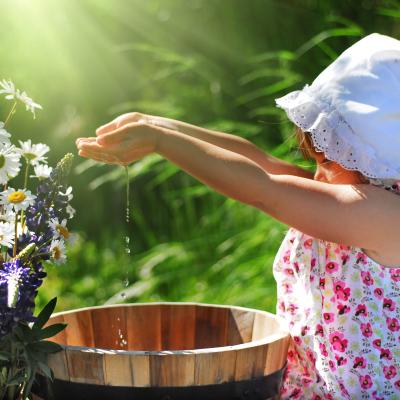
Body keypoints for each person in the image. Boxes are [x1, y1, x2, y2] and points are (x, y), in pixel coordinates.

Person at [76, 33, 400, 398]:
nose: (316, 173)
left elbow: (262, 187)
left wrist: (161, 142)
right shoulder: (349, 197)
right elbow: (262, 164)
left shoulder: (384, 217)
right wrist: (161, 125)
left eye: (328, 159)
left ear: (375, 157)